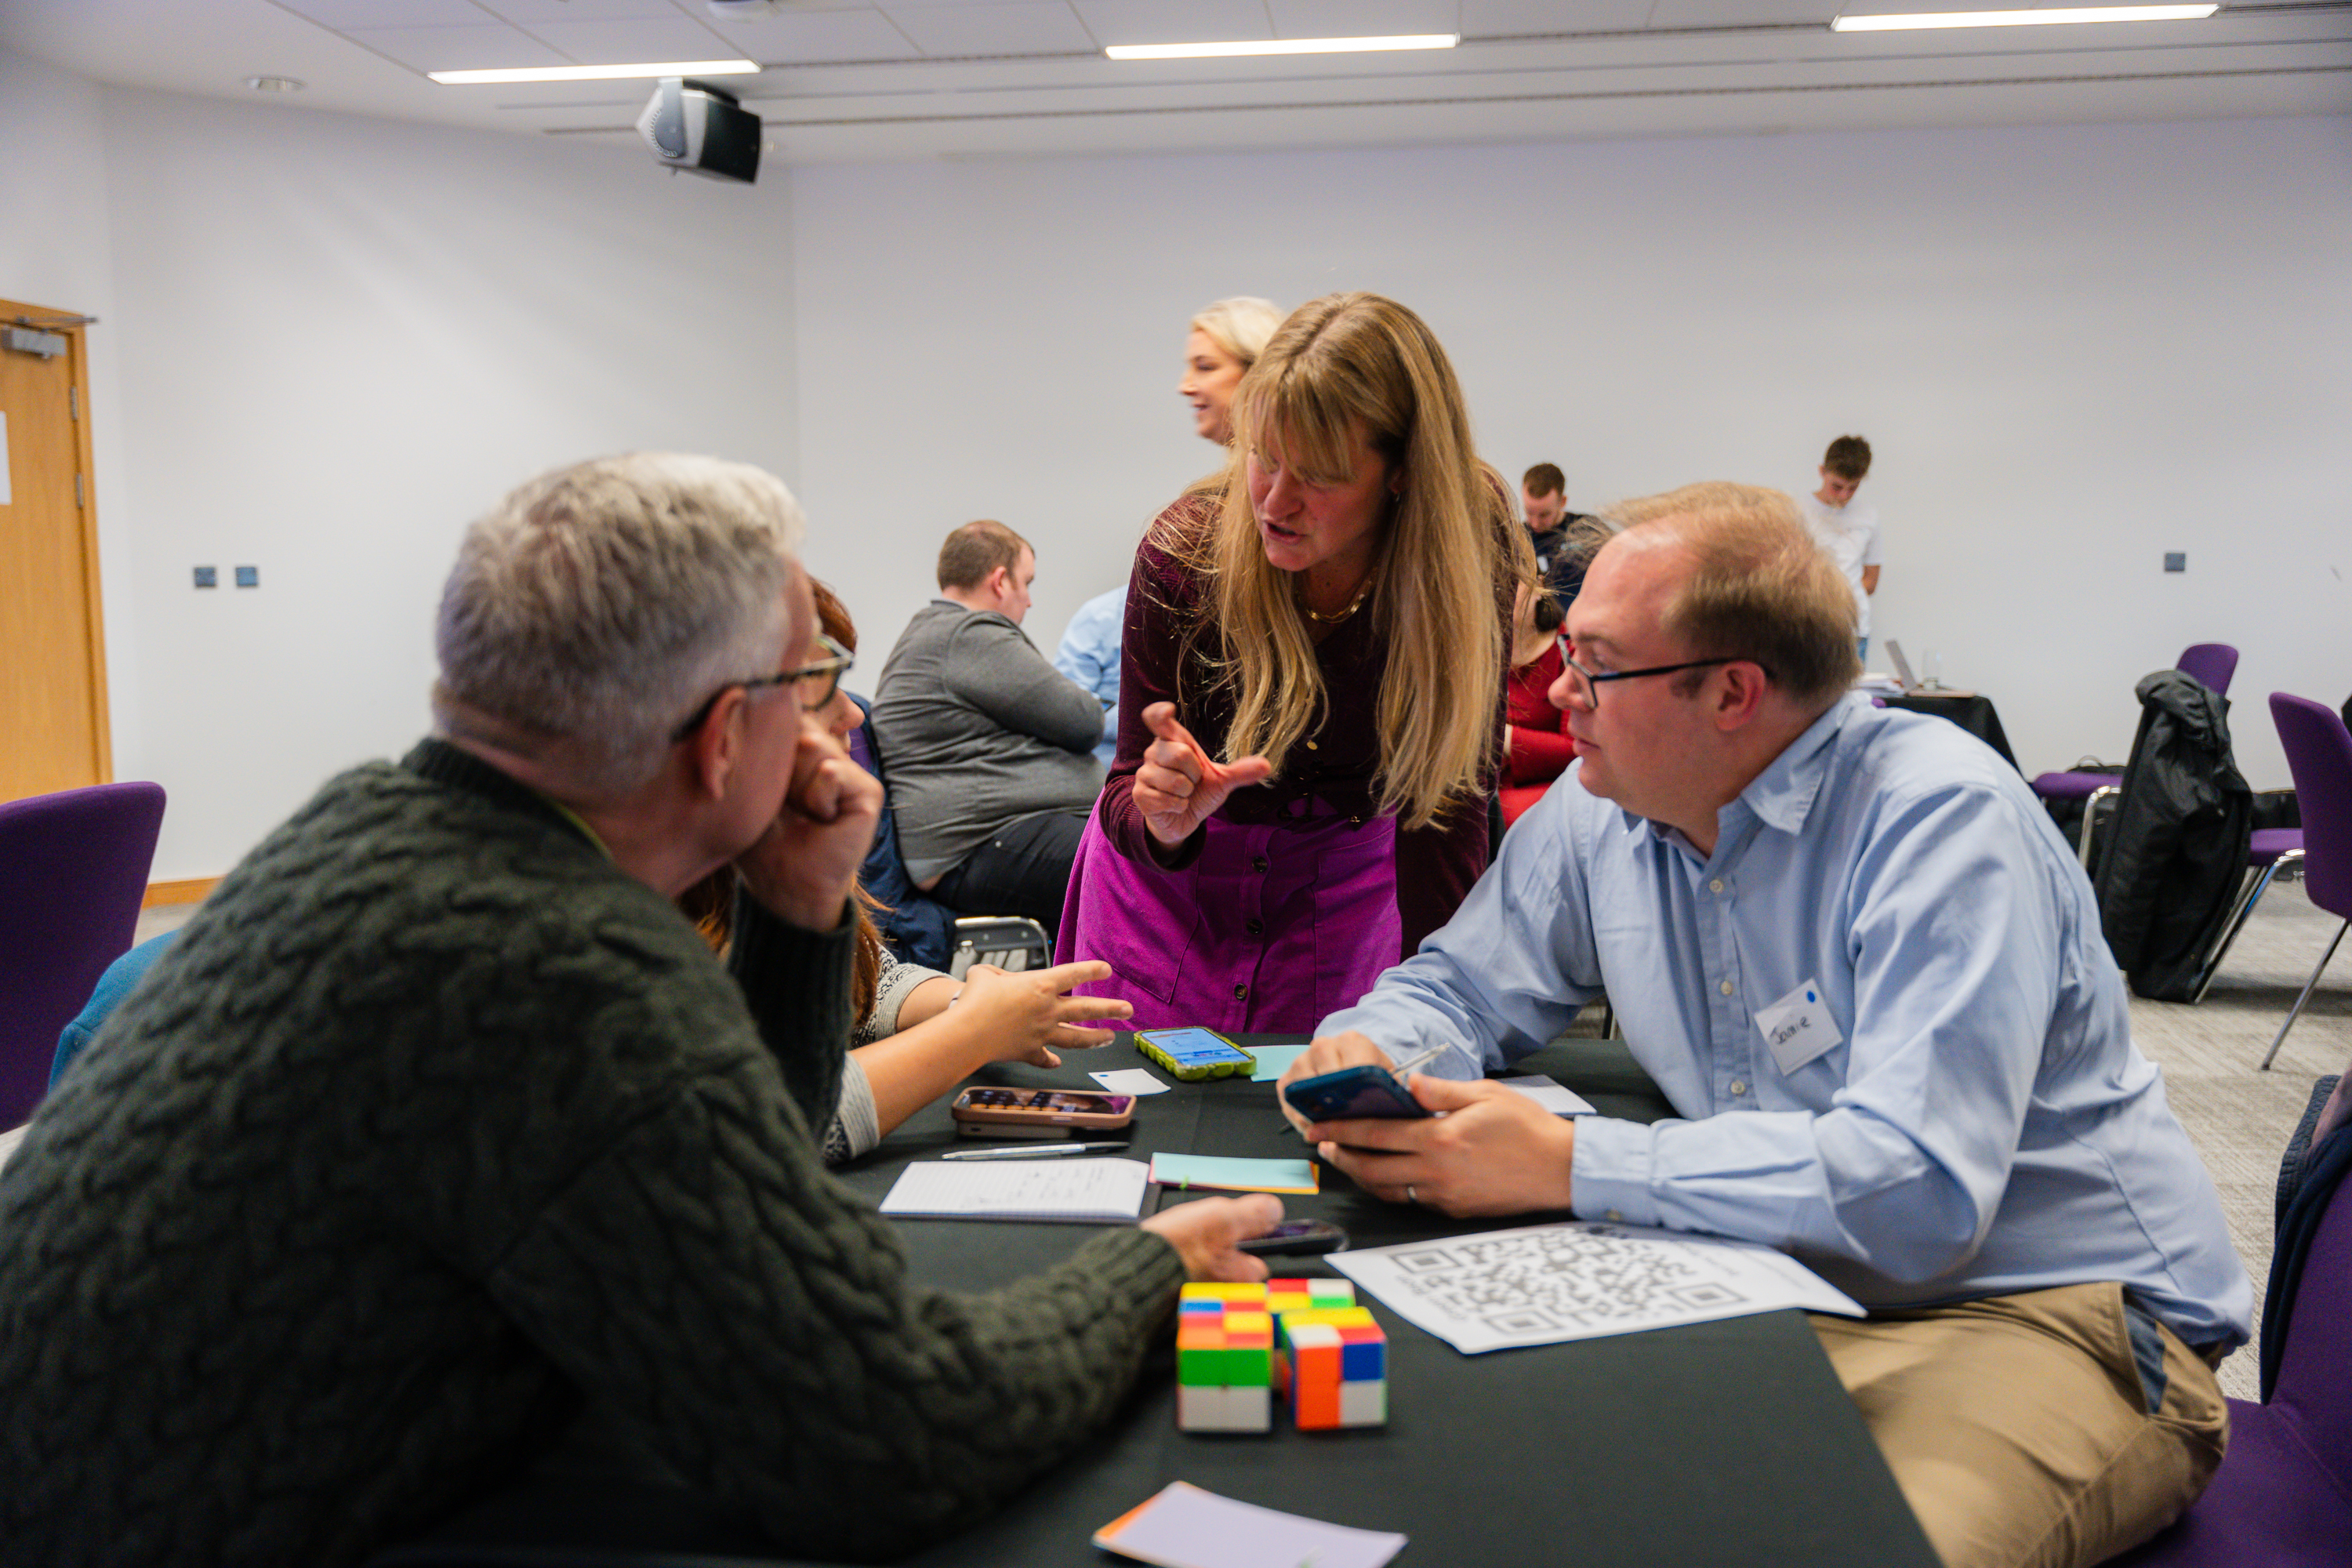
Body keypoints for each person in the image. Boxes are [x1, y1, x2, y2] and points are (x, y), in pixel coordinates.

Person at [0, 453, 1278, 1568]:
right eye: (816, 676)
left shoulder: (371, 826)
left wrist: (793, 911)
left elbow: (741, 1179)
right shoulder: (566, 969)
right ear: (727, 739)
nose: (837, 713)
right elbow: (891, 1442)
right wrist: (1150, 1268)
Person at [1276, 483, 2249, 1568]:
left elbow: (1917, 1191)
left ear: (1734, 692)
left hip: (2045, 1312)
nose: (1559, 688)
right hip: (1771, 1268)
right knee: (1497, 1471)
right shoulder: (1607, 808)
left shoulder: (1941, 823)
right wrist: (1372, 1046)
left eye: (1595, 663)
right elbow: (1458, 986)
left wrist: (1567, 1163)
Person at [1058, 292, 1526, 1032]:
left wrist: (1450, 1004)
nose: (1276, 501)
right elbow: (1127, 793)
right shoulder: (1187, 556)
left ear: (1402, 471)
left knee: (1314, 1109)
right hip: (1166, 891)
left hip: (1339, 891)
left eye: (1318, 475)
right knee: (1152, 1119)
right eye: (1263, 458)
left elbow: (1450, 801)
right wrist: (1164, 820)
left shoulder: (1469, 545)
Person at [686, 579, 1134, 1165]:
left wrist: (972, 1002)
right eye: (821, 687)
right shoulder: (639, 922)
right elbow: (776, 1123)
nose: (852, 713)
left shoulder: (756, 850)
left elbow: (864, 987)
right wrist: (972, 1033)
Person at [1058, 296, 1285, 765]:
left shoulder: (1247, 518)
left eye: (1205, 366)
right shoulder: (1211, 512)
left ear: (1258, 373)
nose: (1186, 386)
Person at [869, 518, 1103, 935]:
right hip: (978, 847)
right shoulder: (969, 633)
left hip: (976, 845)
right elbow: (1083, 720)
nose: (1028, 600)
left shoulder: (936, 633)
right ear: (999, 582)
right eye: (1025, 582)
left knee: (1137, 843)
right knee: (1136, 859)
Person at [1795, 434, 1884, 662]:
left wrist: (1843, 599)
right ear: (1822, 471)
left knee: (1853, 697)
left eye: (1852, 488)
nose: (1844, 496)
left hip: (1854, 629)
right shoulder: (1796, 510)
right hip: (1808, 627)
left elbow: (1871, 580)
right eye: (1837, 487)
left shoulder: (1869, 516)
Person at [1499, 582, 1572, 829]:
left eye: (1510, 581)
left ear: (1538, 585)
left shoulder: (1569, 650)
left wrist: (1501, 737)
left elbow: (1575, 750)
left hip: (1553, 783)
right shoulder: (1480, 654)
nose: (1498, 593)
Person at [1521, 461, 1605, 613]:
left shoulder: (1590, 530)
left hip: (1588, 622)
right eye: (1529, 512)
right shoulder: (1518, 539)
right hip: (1543, 630)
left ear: (1562, 502)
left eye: (1544, 514)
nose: (1535, 522)